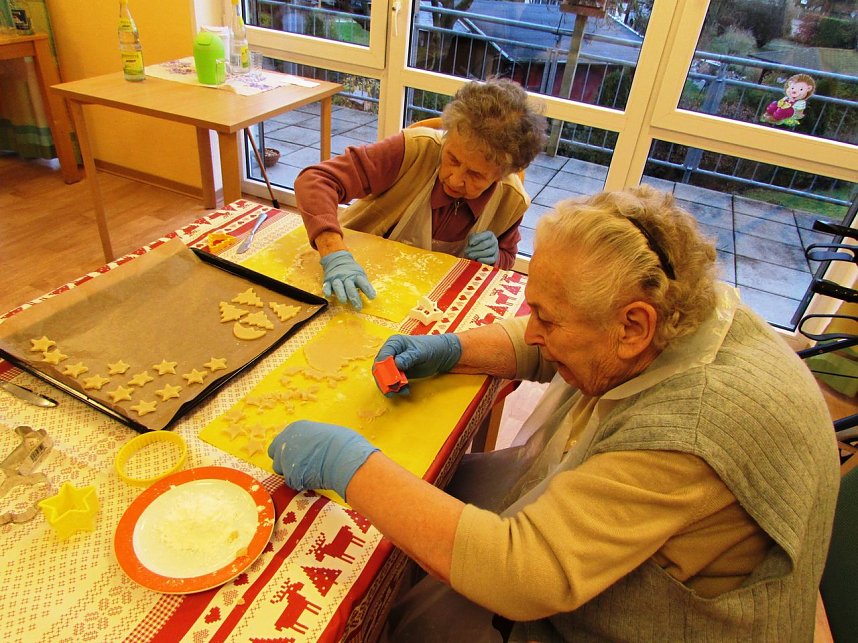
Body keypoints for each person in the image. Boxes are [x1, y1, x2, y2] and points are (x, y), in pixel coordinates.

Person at [268, 186, 841, 640]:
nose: (534, 332)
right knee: (452, 482)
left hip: (676, 622)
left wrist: (346, 463)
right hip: (653, 548)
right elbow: (557, 330)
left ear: (632, 325)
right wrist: (454, 349)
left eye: (548, 318)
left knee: (412, 593)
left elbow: (521, 575)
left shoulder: (691, 432)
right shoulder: (686, 305)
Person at [293, 78, 548, 311]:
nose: (456, 178)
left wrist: (495, 258)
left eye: (476, 175)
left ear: (503, 172)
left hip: (428, 304)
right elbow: (315, 180)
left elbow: (506, 257)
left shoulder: (512, 200)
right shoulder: (412, 151)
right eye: (452, 158)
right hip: (356, 282)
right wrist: (333, 251)